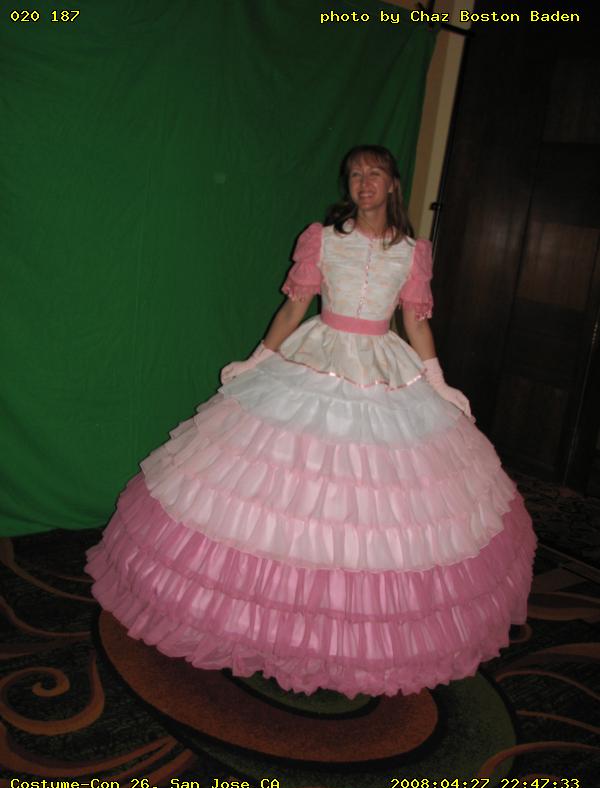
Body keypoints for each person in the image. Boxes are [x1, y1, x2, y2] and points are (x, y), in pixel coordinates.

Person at [86, 145, 536, 699]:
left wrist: (438, 381)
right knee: (281, 484)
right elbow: (295, 306)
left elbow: (415, 322)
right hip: (316, 355)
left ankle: (348, 634)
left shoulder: (412, 251)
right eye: (355, 174)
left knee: (377, 500)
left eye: (374, 174)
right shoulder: (322, 239)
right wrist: (258, 359)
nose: (364, 183)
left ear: (393, 184)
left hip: (382, 365)